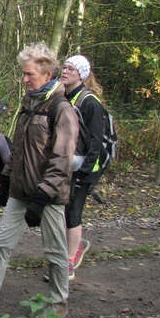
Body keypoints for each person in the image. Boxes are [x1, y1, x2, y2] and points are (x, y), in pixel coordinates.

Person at [0, 43, 78, 318]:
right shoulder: (28, 104)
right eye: (24, 73)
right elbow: (19, 148)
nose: (25, 79)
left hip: (49, 196)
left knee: (55, 252)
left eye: (29, 74)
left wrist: (42, 197)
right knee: (0, 245)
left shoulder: (61, 108)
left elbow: (62, 159)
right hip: (20, 191)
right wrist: (6, 178)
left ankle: (58, 304)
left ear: (48, 73)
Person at [57, 54, 105, 279]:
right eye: (64, 67)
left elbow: (97, 140)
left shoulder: (90, 102)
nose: (64, 71)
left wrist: (86, 169)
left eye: (70, 69)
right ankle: (74, 245)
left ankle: (68, 261)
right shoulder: (63, 97)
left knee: (73, 210)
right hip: (67, 163)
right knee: (62, 209)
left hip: (86, 167)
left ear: (81, 75)